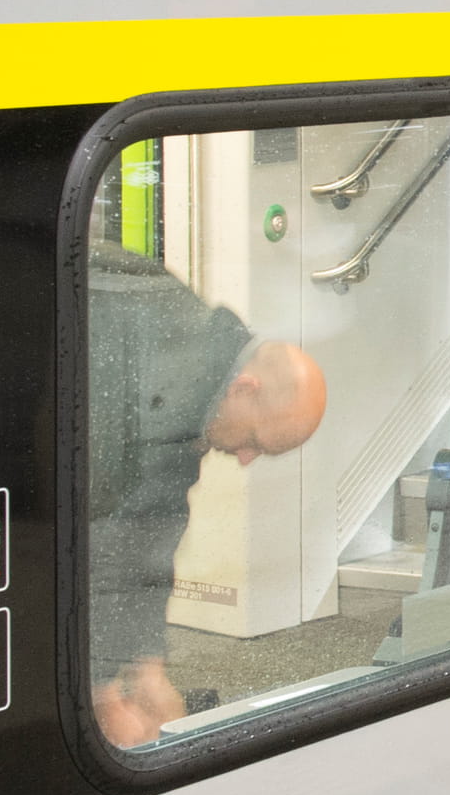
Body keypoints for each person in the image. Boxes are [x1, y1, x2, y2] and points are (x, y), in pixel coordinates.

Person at [83, 241, 328, 748]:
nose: (244, 459)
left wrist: (149, 669)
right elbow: (99, 537)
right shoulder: (150, 370)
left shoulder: (198, 366)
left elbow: (150, 534)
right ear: (247, 387)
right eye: (255, 443)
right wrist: (103, 696)